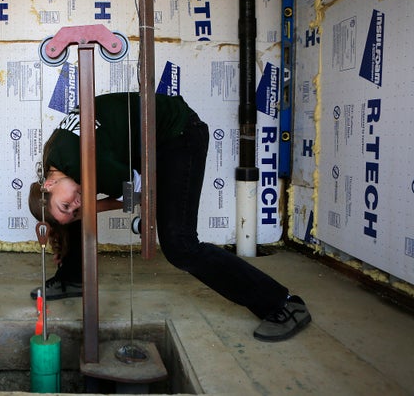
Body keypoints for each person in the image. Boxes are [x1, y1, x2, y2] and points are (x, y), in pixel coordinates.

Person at [28, 92, 312, 342]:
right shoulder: (54, 157)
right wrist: (69, 218)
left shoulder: (89, 166)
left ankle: (282, 305)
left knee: (179, 244)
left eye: (66, 205)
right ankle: (74, 277)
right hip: (144, 141)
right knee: (74, 202)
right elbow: (71, 201)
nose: (74, 204)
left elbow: (138, 194)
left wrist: (86, 211)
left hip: (179, 133)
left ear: (48, 185)